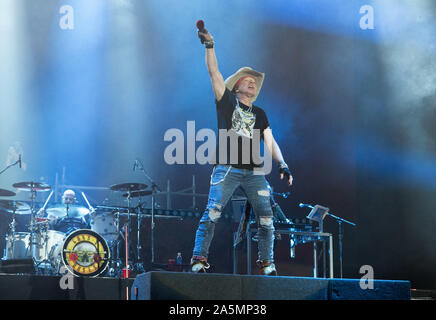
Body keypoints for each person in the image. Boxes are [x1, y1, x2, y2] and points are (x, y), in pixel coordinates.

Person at [191, 25, 293, 276]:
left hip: (254, 172)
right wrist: (209, 45)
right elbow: (214, 73)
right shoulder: (226, 102)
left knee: (266, 217)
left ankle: (267, 262)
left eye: (255, 83)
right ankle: (199, 258)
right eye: (248, 82)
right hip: (226, 168)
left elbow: (270, 141)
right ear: (237, 87)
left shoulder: (260, 113)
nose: (253, 84)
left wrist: (283, 164)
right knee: (213, 213)